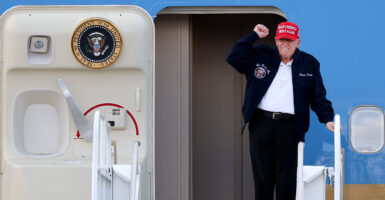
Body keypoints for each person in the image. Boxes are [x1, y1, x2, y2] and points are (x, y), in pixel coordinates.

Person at [226, 22, 336, 200]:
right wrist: (253, 36)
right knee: (263, 181)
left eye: (290, 40)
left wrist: (327, 119)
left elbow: (318, 97)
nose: (285, 43)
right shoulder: (261, 54)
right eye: (282, 39)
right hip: (261, 124)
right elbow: (234, 58)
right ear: (276, 40)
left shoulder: (309, 63)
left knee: (287, 182)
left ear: (298, 42)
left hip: (290, 128)